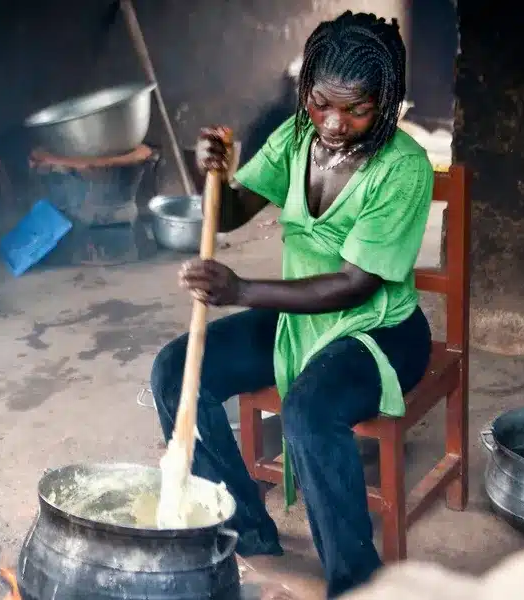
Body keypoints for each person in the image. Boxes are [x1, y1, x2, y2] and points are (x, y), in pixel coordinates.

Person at [150, 11, 433, 599]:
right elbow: (229, 214)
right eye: (323, 104)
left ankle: (355, 584)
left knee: (308, 411)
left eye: (358, 109)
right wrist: (215, 177)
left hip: (377, 330)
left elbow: (354, 285)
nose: (335, 124)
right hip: (299, 322)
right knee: (176, 371)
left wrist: (241, 291)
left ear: (388, 101)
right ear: (306, 93)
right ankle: (241, 528)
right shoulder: (296, 139)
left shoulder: (402, 168)